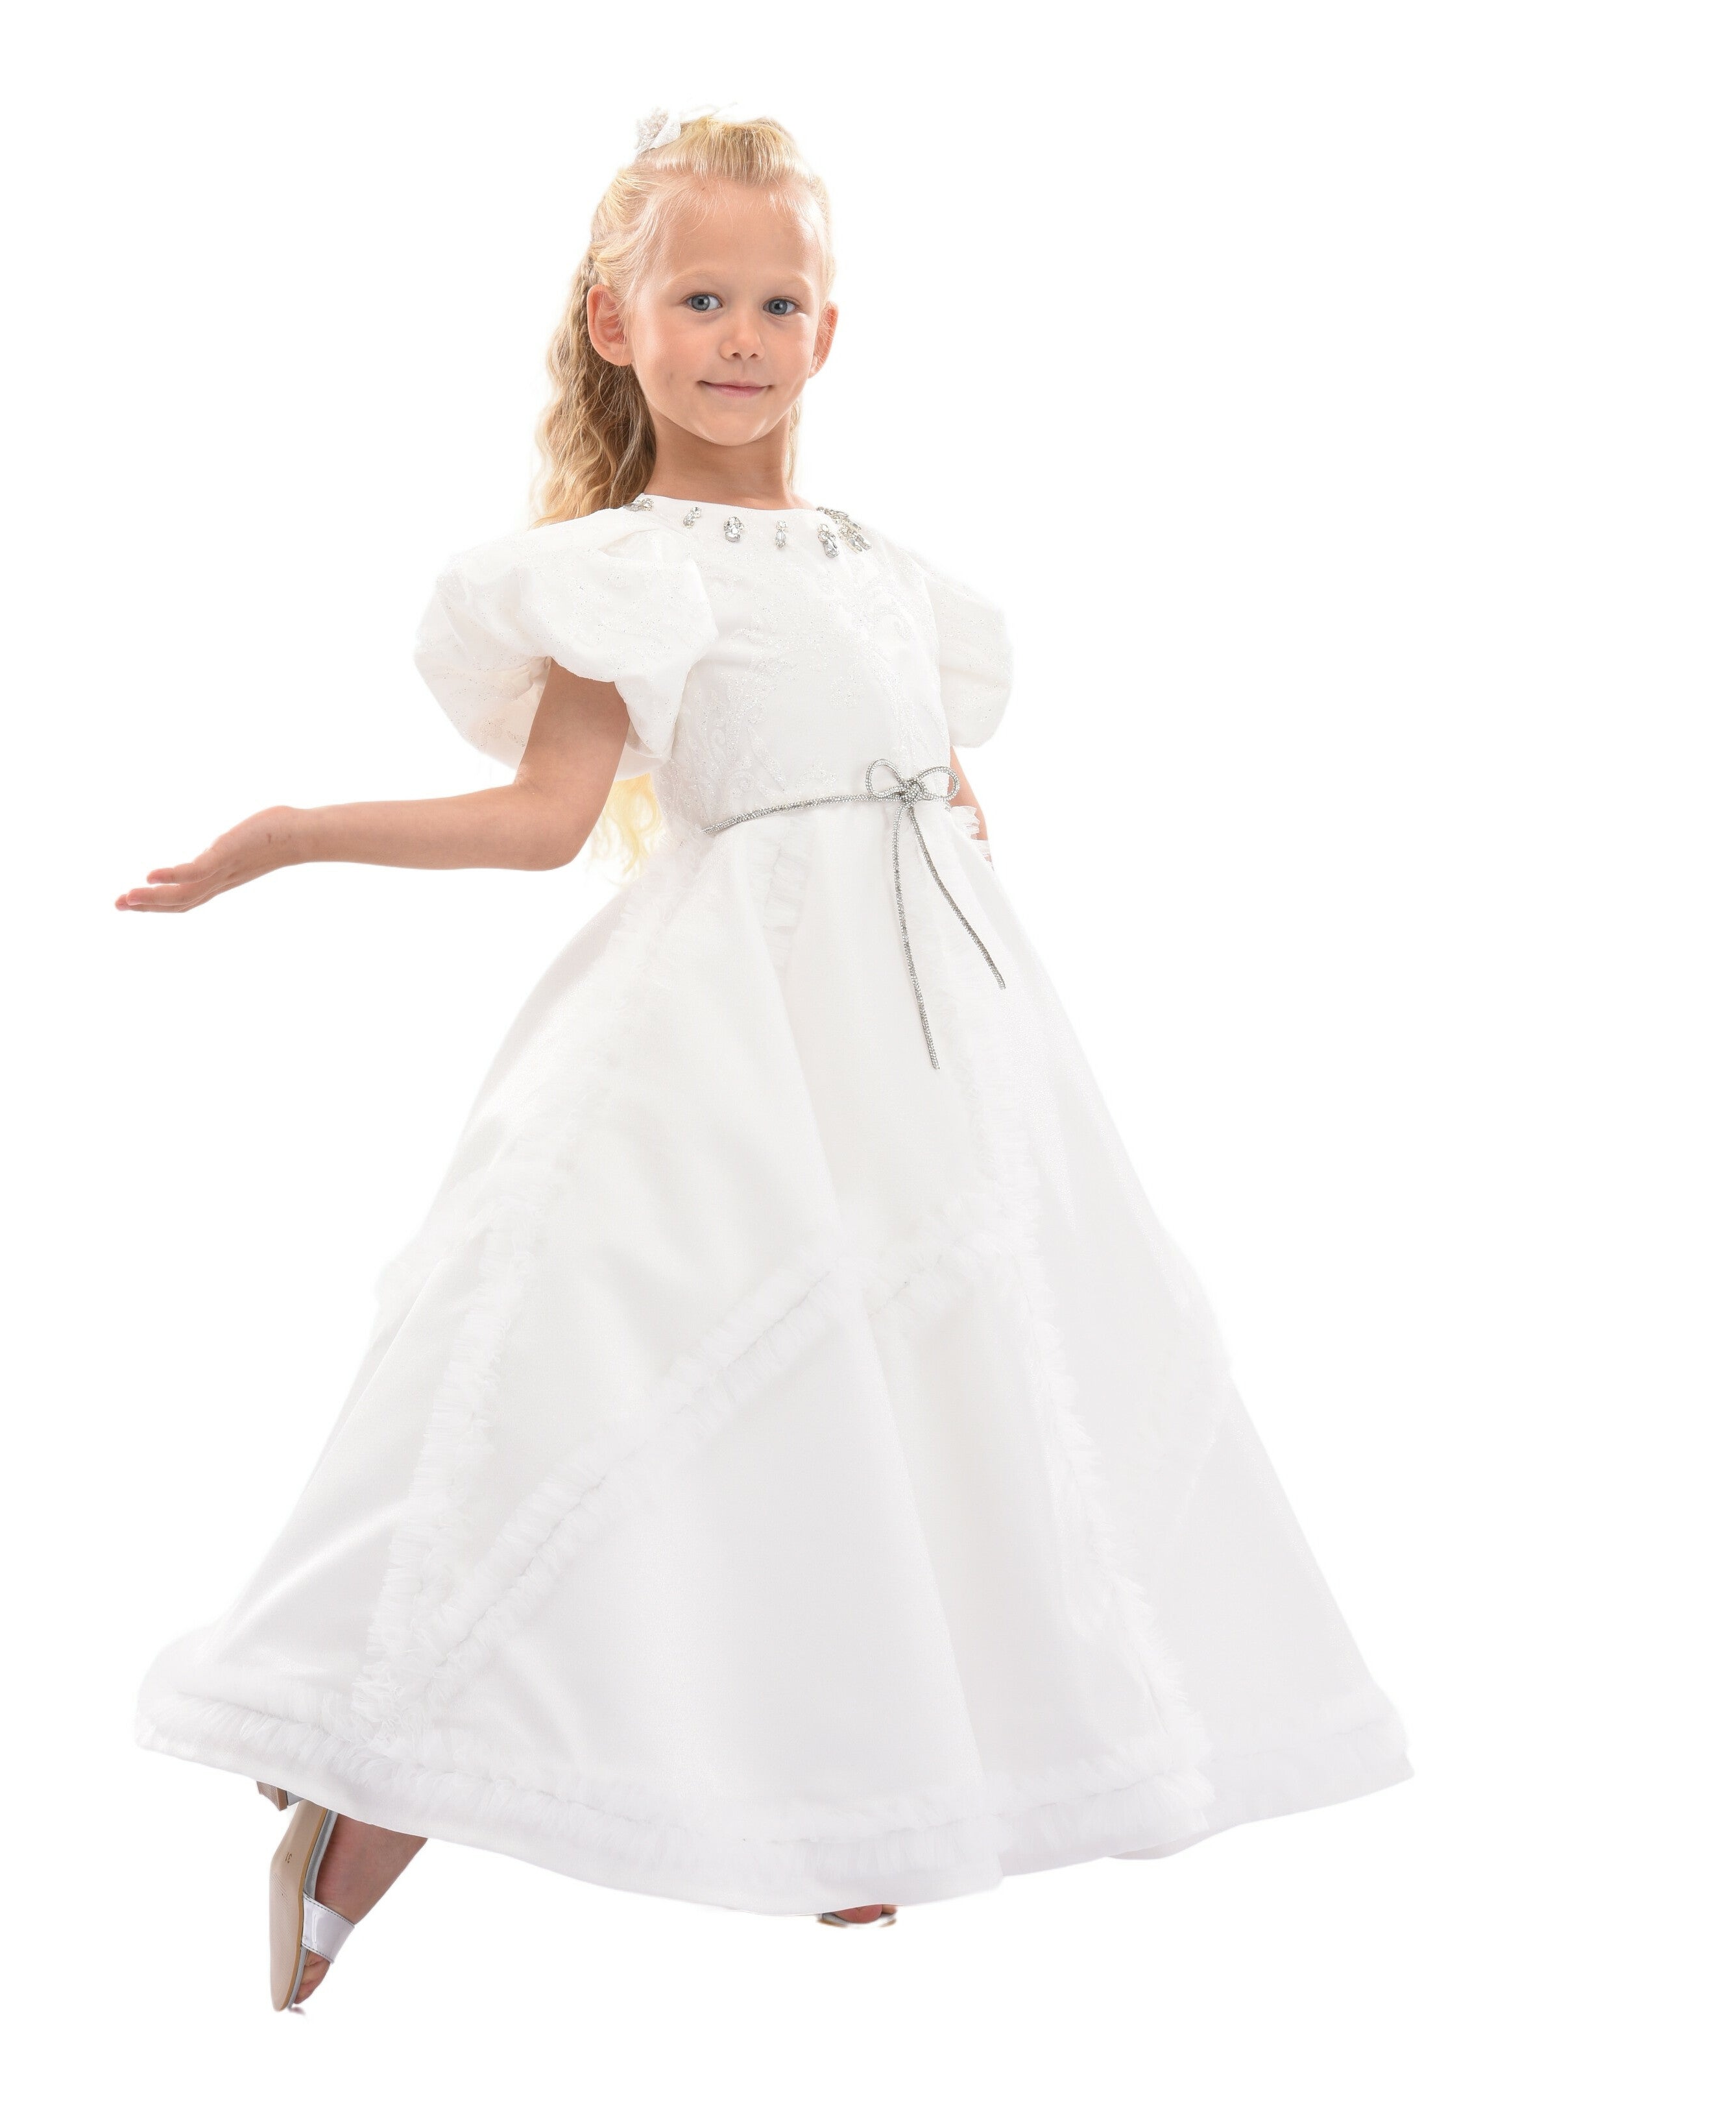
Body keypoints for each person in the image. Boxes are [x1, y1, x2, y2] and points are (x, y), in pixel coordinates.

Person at [122, 108, 1411, 2011]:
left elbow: (937, 792)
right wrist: (293, 832)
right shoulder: (627, 571)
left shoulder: (887, 570)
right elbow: (545, 821)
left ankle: (856, 1783)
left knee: (905, 1387)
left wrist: (956, 905)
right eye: (700, 298)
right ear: (616, 323)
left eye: (778, 301)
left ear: (831, 328)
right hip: (732, 1036)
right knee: (604, 1379)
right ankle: (369, 1777)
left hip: (938, 1042)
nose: (742, 335)